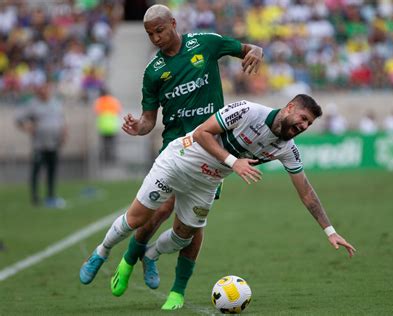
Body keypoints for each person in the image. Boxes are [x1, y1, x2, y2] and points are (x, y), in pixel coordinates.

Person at [81, 94, 355, 308]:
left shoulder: (287, 149)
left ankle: (150, 255)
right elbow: (201, 133)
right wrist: (234, 162)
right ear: (290, 107)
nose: (303, 126)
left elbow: (306, 191)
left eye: (308, 124)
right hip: (179, 162)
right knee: (137, 219)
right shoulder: (249, 111)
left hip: (206, 182)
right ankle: (101, 252)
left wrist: (329, 231)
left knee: (183, 237)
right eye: (303, 117)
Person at [80, 4, 264, 310]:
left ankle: (175, 288)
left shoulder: (204, 43)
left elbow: (249, 47)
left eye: (159, 30)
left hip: (213, 150)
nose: (155, 37)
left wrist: (256, 49)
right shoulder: (154, 72)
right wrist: (137, 127)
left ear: (174, 24)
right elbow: (148, 120)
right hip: (176, 147)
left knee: (192, 227)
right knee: (159, 210)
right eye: (149, 33)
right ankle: (128, 261)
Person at [16, 81, 67, 208]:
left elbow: (62, 120)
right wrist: (27, 127)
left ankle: (51, 195)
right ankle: (35, 197)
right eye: (41, 89)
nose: (43, 92)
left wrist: (64, 134)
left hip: (54, 143)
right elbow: (19, 120)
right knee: (36, 171)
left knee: (52, 170)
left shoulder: (56, 103)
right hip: (39, 145)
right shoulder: (32, 105)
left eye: (45, 89)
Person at [93, 87, 122, 163]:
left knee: (104, 145)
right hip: (113, 126)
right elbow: (118, 111)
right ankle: (112, 159)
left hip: (103, 127)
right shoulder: (114, 101)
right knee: (112, 145)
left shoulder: (99, 101)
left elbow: (96, 112)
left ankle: (104, 159)